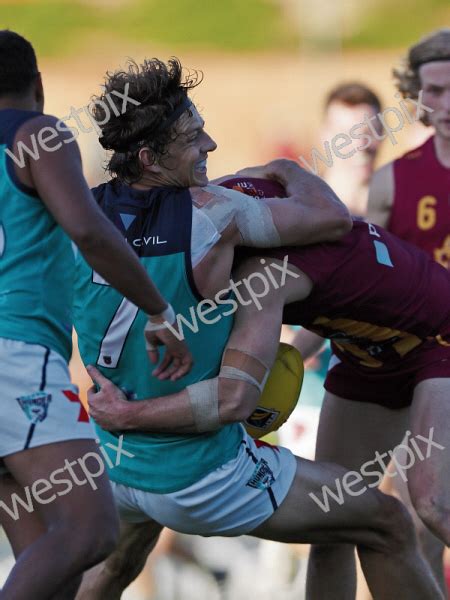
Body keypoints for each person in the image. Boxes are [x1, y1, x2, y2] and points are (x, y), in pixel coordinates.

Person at [72, 56, 439, 599]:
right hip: (201, 475)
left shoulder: (76, 217)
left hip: (117, 465)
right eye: (193, 137)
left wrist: (119, 414)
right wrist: (285, 169)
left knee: (117, 565)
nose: (211, 146)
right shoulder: (213, 215)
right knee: (387, 522)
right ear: (149, 157)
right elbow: (333, 219)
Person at [0, 31, 193, 600]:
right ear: (38, 84)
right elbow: (87, 229)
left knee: (47, 565)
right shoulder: (38, 134)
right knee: (92, 530)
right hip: (16, 358)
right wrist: (157, 309)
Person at [366, 27, 450, 594]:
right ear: (418, 97)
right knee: (423, 519)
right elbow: (359, 284)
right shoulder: (392, 181)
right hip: (423, 372)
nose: (446, 104)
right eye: (436, 91)